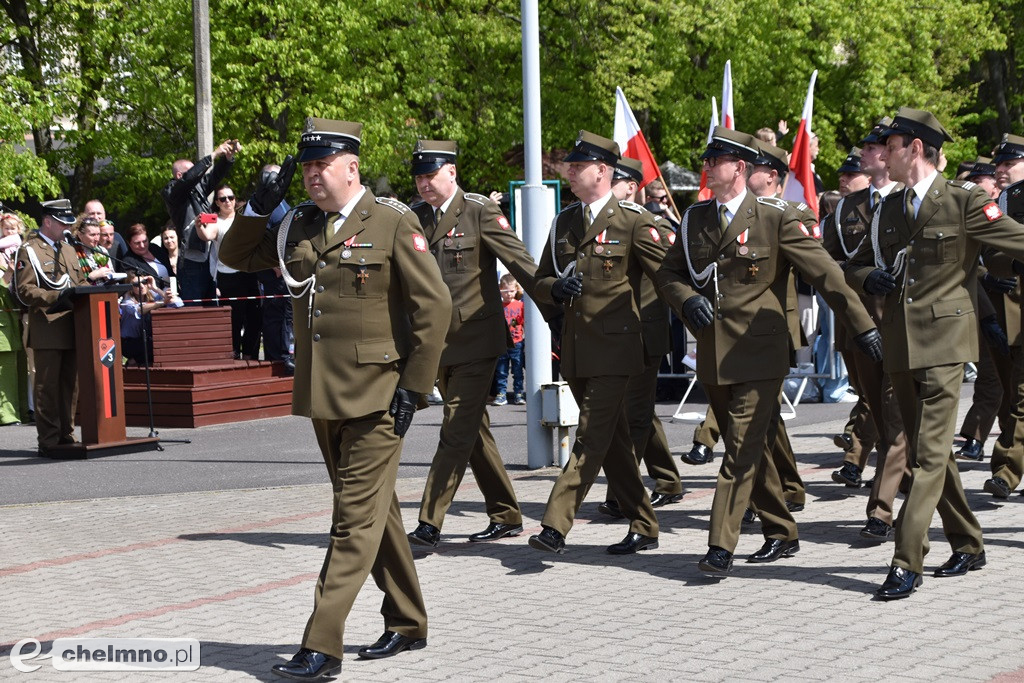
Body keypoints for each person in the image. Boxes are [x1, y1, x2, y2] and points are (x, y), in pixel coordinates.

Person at [217, 118, 450, 679]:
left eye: (323, 165)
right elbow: (232, 259)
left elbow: (434, 307)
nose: (312, 176)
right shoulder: (299, 224)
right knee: (377, 513)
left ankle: (322, 644)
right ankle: (407, 619)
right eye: (306, 168)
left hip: (378, 396)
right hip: (323, 395)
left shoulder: (394, 222)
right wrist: (255, 208)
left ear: (352, 167)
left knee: (351, 522)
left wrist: (415, 387)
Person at [656, 127, 881, 575]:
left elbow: (827, 276)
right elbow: (668, 275)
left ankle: (721, 544)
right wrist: (686, 300)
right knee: (754, 450)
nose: (706, 167)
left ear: (738, 168)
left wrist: (863, 327)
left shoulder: (776, 217)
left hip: (761, 351)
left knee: (738, 449)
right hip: (715, 352)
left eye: (714, 160)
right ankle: (781, 530)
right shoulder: (695, 218)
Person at [845, 107, 1024, 599]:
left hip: (946, 344)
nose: (882, 154)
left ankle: (907, 561)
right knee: (934, 452)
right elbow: (853, 265)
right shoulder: (888, 207)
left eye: (892, 145)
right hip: (902, 344)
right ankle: (969, 542)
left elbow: (1018, 241)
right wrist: (869, 279)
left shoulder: (964, 202)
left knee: (923, 457)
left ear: (916, 149)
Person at [528, 130, 664, 556]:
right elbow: (541, 278)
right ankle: (644, 524)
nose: (568, 171)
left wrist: (702, 313)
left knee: (589, 436)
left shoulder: (633, 221)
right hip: (577, 348)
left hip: (617, 348)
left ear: (602, 171)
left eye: (577, 165)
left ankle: (555, 525)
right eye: (569, 165)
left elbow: (668, 277)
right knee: (615, 442)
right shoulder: (566, 221)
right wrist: (557, 289)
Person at [405, 139, 536, 549]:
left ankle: (430, 523)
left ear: (452, 173)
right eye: (420, 176)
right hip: (435, 345)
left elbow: (519, 261)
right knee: (473, 432)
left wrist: (554, 295)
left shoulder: (479, 210)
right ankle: (506, 514)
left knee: (456, 430)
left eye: (432, 174)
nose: (425, 183)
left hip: (477, 342)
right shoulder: (415, 218)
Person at [820, 118, 909, 542]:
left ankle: (881, 509)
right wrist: (861, 278)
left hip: (903, 326)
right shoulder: (845, 209)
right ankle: (914, 483)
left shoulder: (912, 201)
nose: (867, 154)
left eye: (875, 147)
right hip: (858, 328)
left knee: (894, 420)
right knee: (879, 410)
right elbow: (829, 266)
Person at [599, 156, 684, 515]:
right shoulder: (604, 224)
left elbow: (673, 276)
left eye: (614, 181)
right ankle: (666, 479)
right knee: (638, 413)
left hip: (645, 333)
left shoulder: (653, 227)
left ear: (632, 187)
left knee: (632, 415)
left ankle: (622, 494)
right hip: (617, 335)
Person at [13, 199, 89, 456]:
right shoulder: (30, 250)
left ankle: (66, 433)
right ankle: (48, 439)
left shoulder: (69, 250)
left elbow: (79, 282)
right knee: (47, 386)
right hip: (47, 327)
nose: (67, 227)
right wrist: (57, 297)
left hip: (73, 326)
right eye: (62, 222)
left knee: (71, 385)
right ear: (48, 221)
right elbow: (24, 291)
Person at [982, 133, 1024, 498]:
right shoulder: (998, 203)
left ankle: (1006, 470)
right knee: (1011, 398)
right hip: (1002, 311)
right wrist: (1011, 261)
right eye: (999, 165)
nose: (1001, 171)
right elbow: (988, 253)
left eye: (1009, 164)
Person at [162, 139, 238, 306]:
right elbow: (190, 178)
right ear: (180, 176)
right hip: (191, 262)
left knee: (212, 310)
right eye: (194, 171)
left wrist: (227, 157)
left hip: (209, 257)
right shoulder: (172, 192)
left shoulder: (197, 189)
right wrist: (213, 155)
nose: (199, 174)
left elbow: (214, 176)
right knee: (195, 312)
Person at [198, 185, 262, 359]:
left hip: (249, 271)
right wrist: (200, 228)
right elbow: (208, 235)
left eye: (231, 197)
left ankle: (250, 353)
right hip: (228, 275)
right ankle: (234, 353)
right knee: (234, 318)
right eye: (223, 199)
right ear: (217, 203)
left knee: (255, 315)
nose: (228, 201)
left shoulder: (244, 217)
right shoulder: (214, 220)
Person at [254, 164, 294, 370]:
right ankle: (278, 357)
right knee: (275, 315)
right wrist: (274, 264)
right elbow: (259, 238)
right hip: (274, 270)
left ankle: (285, 353)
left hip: (286, 268)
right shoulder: (264, 204)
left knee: (286, 314)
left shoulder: (282, 202)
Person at [0, 211, 30, 426]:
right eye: (6, 228)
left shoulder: (21, 250)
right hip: (3, 321)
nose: (9, 232)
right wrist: (9, 274)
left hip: (19, 318)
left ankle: (21, 411)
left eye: (13, 228)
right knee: (6, 372)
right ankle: (7, 415)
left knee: (21, 368)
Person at [119, 275, 171, 366]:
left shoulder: (152, 295)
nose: (142, 286)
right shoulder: (127, 301)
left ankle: (134, 361)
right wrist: (162, 302)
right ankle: (133, 361)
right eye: (136, 284)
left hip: (145, 340)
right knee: (155, 344)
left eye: (144, 282)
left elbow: (177, 303)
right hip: (129, 343)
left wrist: (155, 288)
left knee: (160, 343)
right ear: (130, 287)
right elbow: (139, 309)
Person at [492, 273, 526, 406]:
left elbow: (522, 323)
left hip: (517, 343)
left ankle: (518, 393)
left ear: (516, 289)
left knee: (517, 369)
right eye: (506, 291)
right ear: (500, 289)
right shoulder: (498, 306)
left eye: (512, 291)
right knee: (501, 370)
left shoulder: (520, 305)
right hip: (502, 343)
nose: (509, 294)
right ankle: (501, 394)